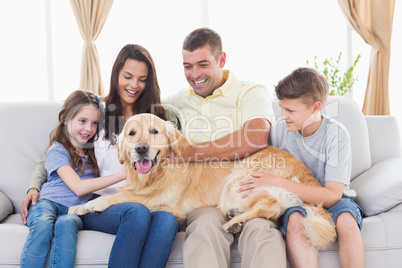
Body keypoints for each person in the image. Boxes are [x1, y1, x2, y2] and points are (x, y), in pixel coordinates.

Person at [21, 44, 178, 268]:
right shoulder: (98, 112)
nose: (134, 85)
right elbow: (57, 152)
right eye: (127, 76)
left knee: (167, 220)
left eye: (142, 79)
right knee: (136, 212)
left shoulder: (158, 117)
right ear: (116, 75)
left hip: (146, 195)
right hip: (101, 201)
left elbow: (177, 155)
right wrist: (34, 187)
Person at [164, 27, 286, 268]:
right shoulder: (175, 102)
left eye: (202, 64)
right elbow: (137, 107)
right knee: (202, 230)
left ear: (221, 59)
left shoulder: (249, 92)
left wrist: (191, 152)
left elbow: (256, 137)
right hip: (205, 199)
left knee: (261, 232)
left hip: (249, 191)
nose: (194, 74)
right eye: (187, 66)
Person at [239, 67, 365, 268]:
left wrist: (278, 182)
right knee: (296, 220)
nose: (282, 115)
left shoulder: (336, 135)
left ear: (315, 107)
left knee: (346, 221)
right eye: (281, 108)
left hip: (334, 201)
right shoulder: (279, 132)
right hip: (294, 202)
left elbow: (333, 195)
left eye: (289, 110)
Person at [20, 89, 126, 267]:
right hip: (49, 202)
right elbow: (78, 187)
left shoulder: (95, 151)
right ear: (65, 118)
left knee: (67, 225)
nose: (88, 129)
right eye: (82, 121)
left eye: (94, 123)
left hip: (75, 210)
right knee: (44, 224)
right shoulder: (58, 150)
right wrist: (125, 174)